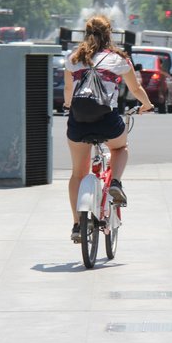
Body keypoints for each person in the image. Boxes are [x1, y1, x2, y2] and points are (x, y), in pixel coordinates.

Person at [63, 15, 154, 243]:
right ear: (109, 34)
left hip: (78, 122)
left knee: (77, 173)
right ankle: (115, 183)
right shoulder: (119, 59)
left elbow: (67, 91)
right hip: (107, 122)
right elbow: (136, 88)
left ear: (86, 33)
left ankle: (76, 224)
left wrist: (68, 104)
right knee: (120, 147)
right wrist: (146, 105)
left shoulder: (73, 58)